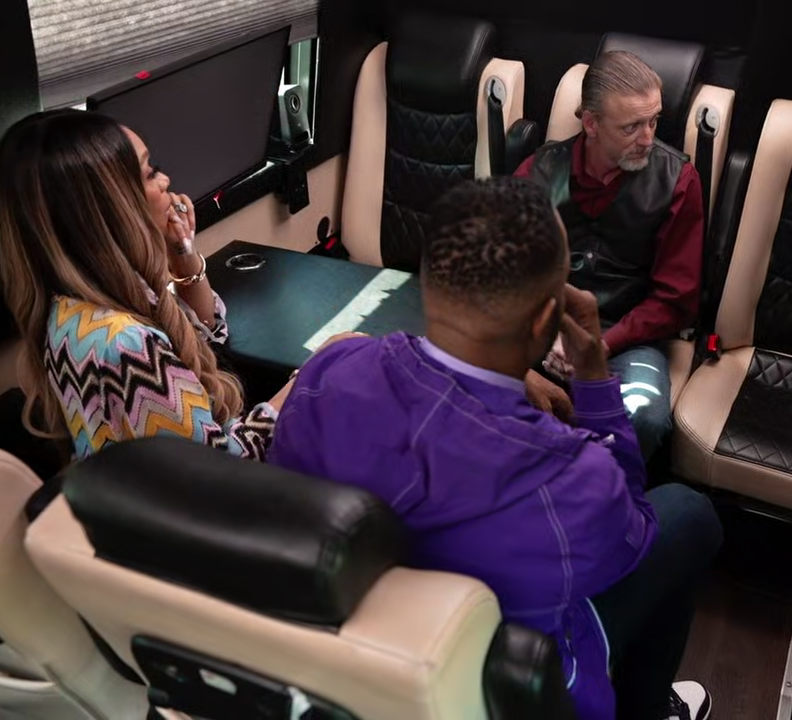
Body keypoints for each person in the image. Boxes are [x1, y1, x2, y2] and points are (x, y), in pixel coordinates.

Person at [268, 177, 722, 720]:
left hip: (350, 672)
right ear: (545, 320)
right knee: (689, 514)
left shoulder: (329, 369)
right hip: (511, 691)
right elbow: (633, 534)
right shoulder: (572, 475)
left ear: (429, 284)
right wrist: (594, 377)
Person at [0, 108, 294, 461]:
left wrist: (182, 255)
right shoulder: (127, 344)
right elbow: (225, 465)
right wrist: (303, 386)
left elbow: (206, 343)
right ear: (113, 207)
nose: (165, 180)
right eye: (150, 172)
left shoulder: (72, 307)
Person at [514, 50, 705, 461]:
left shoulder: (678, 181)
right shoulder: (538, 173)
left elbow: (676, 300)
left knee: (643, 419)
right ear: (591, 123)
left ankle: (601, 495)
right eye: (632, 126)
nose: (648, 139)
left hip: (626, 336)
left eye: (654, 121)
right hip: (543, 323)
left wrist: (599, 344)